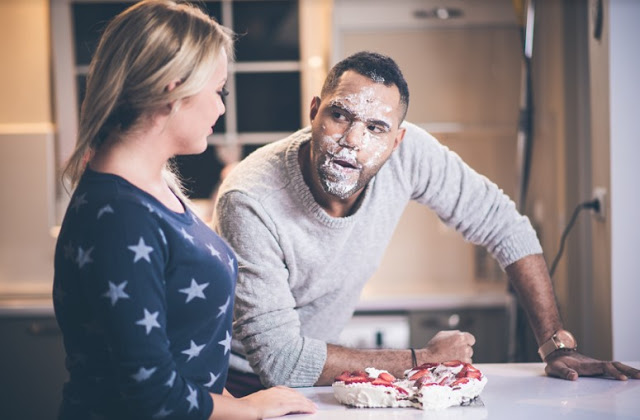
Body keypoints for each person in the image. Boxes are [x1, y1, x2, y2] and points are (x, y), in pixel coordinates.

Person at [212, 51, 640, 396]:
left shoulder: (412, 154)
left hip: (311, 386)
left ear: (398, 140)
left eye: (376, 127)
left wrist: (554, 343)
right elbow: (279, 361)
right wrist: (421, 359)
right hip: (236, 384)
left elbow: (503, 224)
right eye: (340, 115)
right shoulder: (250, 197)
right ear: (314, 111)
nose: (352, 141)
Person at [53, 1, 316, 419]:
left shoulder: (154, 186)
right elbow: (152, 395)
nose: (222, 108)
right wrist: (252, 409)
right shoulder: (120, 216)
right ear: (173, 90)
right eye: (217, 91)